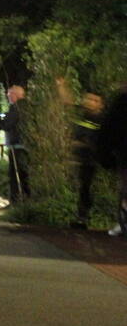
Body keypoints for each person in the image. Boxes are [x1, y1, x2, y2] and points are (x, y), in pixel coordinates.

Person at [68, 92, 104, 229]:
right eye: (88, 99)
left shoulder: (101, 120)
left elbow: (96, 140)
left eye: (94, 100)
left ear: (100, 104)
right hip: (83, 159)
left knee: (87, 187)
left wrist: (84, 143)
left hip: (94, 160)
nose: (90, 102)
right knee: (84, 187)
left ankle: (86, 217)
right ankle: (82, 217)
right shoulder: (82, 116)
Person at [98, 83, 127, 238]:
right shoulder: (121, 102)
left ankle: (123, 221)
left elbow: (109, 127)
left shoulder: (120, 101)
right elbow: (110, 127)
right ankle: (123, 221)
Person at [0, 85, 28, 205]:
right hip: (22, 145)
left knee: (15, 175)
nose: (8, 96)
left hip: (16, 146)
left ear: (16, 95)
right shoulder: (24, 107)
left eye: (9, 94)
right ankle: (23, 201)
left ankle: (15, 202)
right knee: (23, 175)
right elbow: (7, 115)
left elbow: (7, 124)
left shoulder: (16, 108)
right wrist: (1, 116)